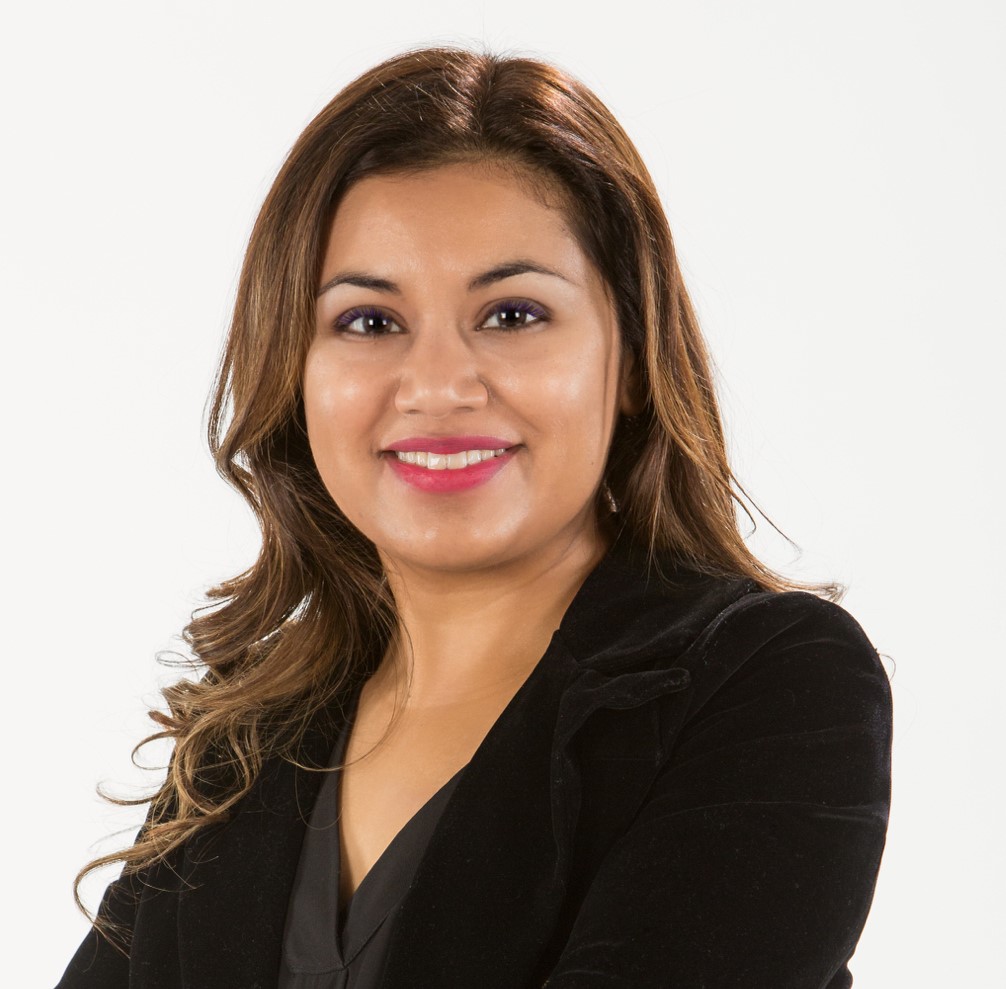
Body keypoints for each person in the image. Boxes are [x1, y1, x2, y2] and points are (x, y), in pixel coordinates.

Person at [56, 46, 892, 989]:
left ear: (631, 353)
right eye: (370, 322)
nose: (439, 385)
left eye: (513, 314)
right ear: (295, 372)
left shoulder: (769, 684)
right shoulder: (245, 738)